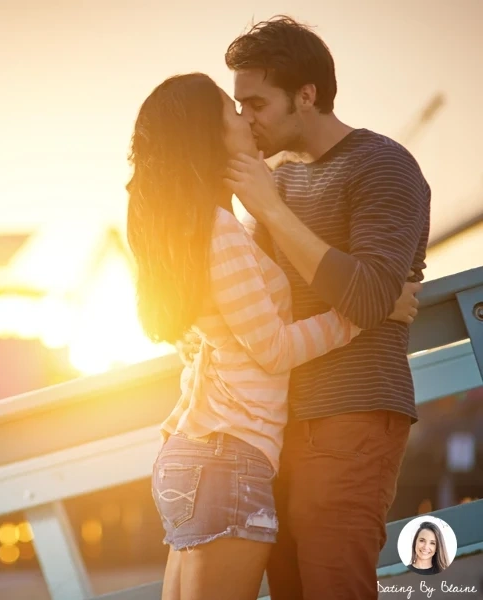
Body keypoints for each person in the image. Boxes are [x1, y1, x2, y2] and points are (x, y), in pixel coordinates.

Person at [126, 73, 417, 600]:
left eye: (251, 104)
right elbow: (273, 348)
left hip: (198, 450)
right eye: (232, 109)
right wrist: (367, 312)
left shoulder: (197, 227)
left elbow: (217, 326)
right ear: (209, 137)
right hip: (227, 456)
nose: (245, 117)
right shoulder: (219, 230)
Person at [220, 16, 431, 599]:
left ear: (306, 95)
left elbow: (366, 295)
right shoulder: (279, 181)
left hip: (352, 414)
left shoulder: (383, 166)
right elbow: (254, 304)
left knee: (335, 587)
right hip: (278, 424)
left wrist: (267, 206)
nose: (245, 118)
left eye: (256, 103)